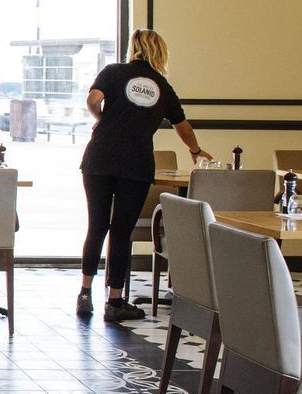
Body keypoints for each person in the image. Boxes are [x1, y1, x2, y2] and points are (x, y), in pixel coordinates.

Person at [76, 29, 212, 322]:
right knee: (121, 231)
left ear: (133, 48)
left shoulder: (113, 71)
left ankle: (85, 294)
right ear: (160, 52)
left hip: (99, 158)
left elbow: (93, 99)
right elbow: (182, 126)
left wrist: (103, 119)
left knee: (96, 226)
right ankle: (115, 301)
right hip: (135, 164)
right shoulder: (162, 85)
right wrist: (195, 150)